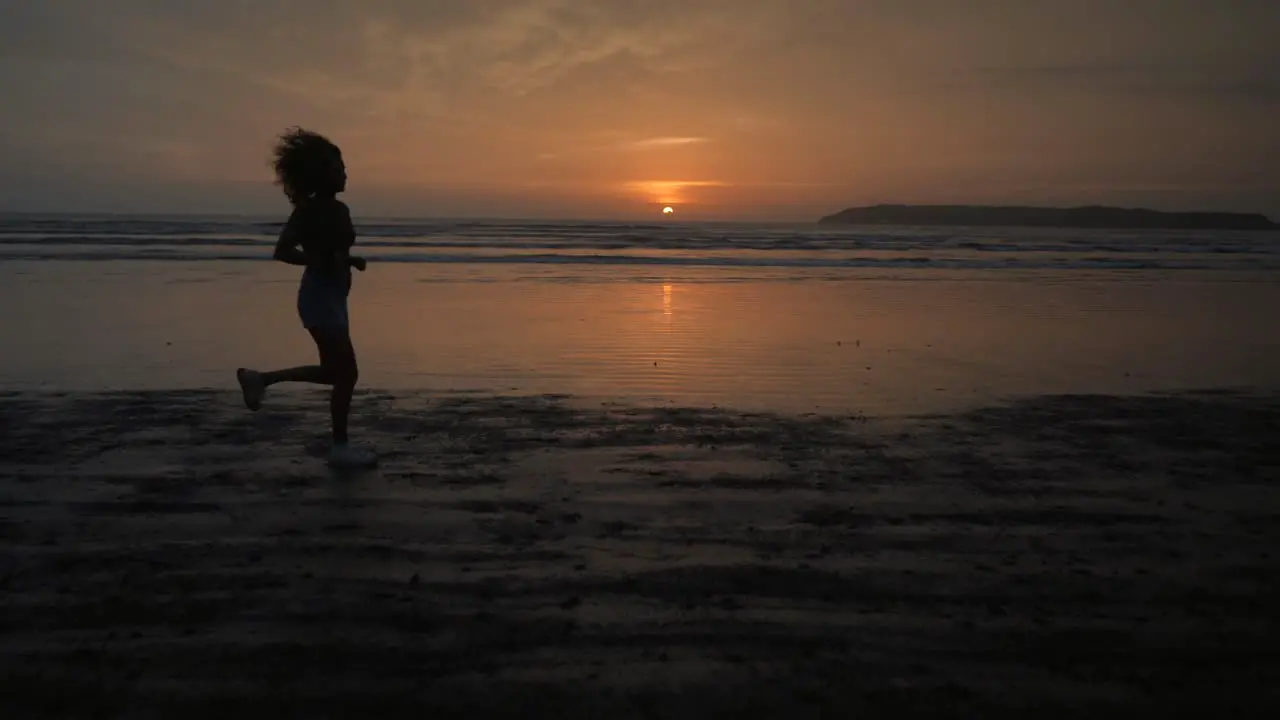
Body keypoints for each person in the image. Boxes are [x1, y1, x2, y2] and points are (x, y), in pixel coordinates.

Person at [236, 128, 376, 468]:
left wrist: (348, 261)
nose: (345, 172)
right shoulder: (309, 212)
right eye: (337, 166)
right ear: (319, 173)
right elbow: (283, 251)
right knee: (345, 373)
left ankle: (263, 379)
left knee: (338, 372)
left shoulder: (339, 209)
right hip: (318, 296)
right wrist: (318, 260)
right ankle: (340, 449)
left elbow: (333, 251)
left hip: (334, 297)